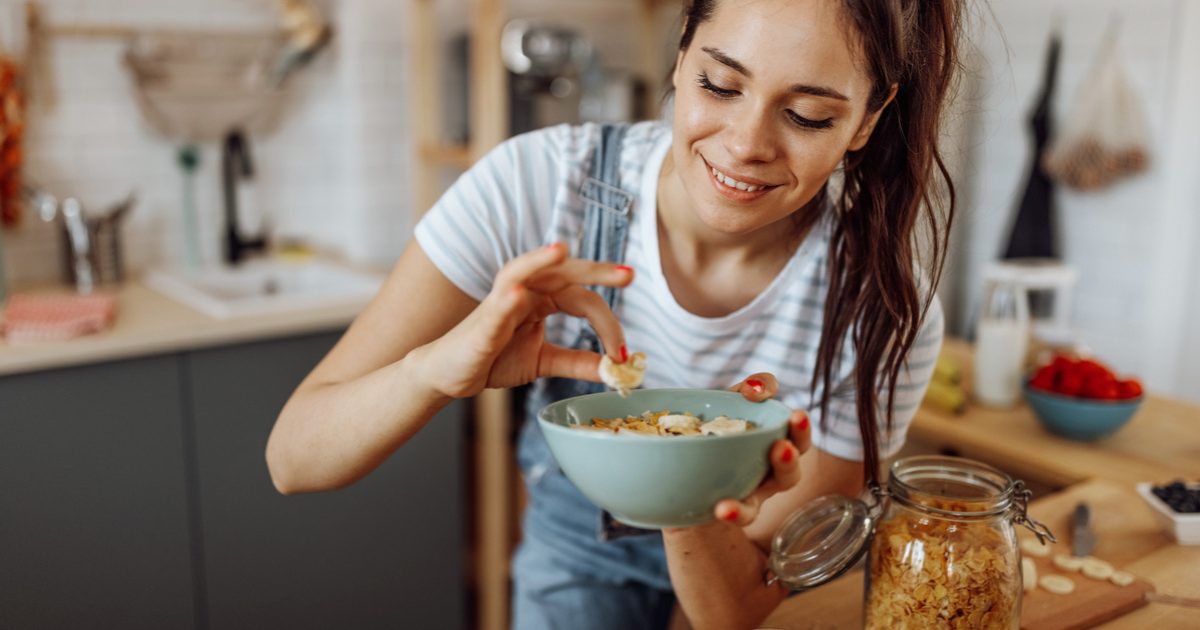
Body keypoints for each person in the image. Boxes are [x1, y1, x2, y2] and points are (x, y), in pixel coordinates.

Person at [266, 0, 962, 628]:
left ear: (868, 119)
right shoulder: (538, 186)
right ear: (683, 50)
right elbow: (295, 458)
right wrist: (434, 372)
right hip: (574, 571)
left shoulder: (883, 311)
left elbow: (739, 603)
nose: (748, 143)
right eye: (719, 84)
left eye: (809, 115)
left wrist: (687, 477)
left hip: (731, 582)